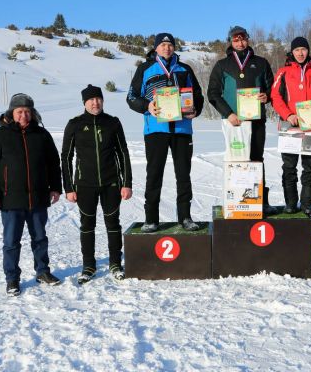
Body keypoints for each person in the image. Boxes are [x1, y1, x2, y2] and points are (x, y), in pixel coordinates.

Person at [0, 93, 63, 297]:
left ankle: (42, 272)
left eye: (27, 111)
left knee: (40, 238)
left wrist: (55, 187)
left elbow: (53, 163)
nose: (24, 115)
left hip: (38, 198)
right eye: (19, 111)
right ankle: (12, 279)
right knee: (11, 242)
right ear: (12, 113)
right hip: (10, 200)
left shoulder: (42, 135)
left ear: (33, 113)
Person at [126, 33, 204, 232]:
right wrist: (147, 105)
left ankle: (185, 217)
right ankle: (151, 218)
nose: (167, 48)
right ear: (156, 48)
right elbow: (131, 96)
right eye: (162, 44)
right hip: (156, 129)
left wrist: (196, 110)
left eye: (170, 44)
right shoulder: (145, 69)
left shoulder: (185, 69)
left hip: (182, 129)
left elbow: (197, 95)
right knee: (154, 174)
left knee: (183, 174)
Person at [61, 85, 132, 283]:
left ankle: (116, 263)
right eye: (91, 100)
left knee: (113, 223)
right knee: (87, 224)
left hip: (111, 183)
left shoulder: (113, 123)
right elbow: (66, 157)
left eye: (98, 99)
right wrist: (69, 187)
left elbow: (123, 153)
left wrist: (126, 183)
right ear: (84, 102)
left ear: (102, 101)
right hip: (85, 185)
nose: (95, 103)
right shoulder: (74, 124)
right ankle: (88, 266)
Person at [207, 25, 275, 213]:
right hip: (233, 122)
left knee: (256, 160)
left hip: (257, 121)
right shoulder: (222, 65)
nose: (240, 42)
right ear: (230, 41)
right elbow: (212, 93)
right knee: (236, 160)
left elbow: (273, 88)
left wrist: (267, 96)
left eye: (243, 38)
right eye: (235, 39)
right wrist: (228, 113)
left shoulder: (261, 63)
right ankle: (236, 198)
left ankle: (261, 200)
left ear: (248, 39)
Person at [270, 36, 311, 216]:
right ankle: (290, 202)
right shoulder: (283, 72)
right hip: (290, 125)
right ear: (292, 52)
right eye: (297, 50)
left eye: (303, 50)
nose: (300, 53)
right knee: (289, 167)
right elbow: (275, 96)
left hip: (310, 126)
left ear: (308, 51)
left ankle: (306, 203)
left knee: (309, 167)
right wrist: (287, 114)